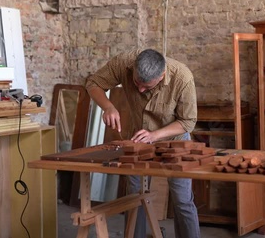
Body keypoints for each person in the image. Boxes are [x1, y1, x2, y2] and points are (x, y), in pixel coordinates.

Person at [85, 48, 200, 238]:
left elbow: (187, 122)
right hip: (138, 141)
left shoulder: (183, 78)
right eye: (137, 83)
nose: (140, 90)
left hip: (174, 141)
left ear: (162, 75)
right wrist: (108, 106)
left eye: (147, 86)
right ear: (134, 69)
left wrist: (155, 135)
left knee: (182, 200)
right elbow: (93, 83)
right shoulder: (124, 62)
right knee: (135, 197)